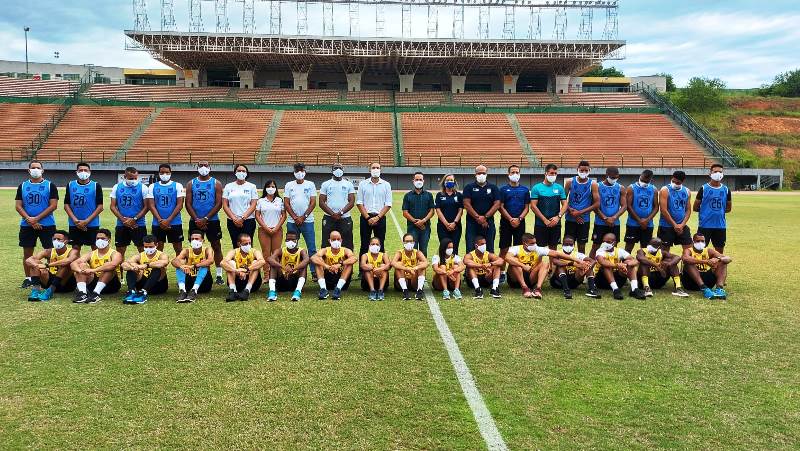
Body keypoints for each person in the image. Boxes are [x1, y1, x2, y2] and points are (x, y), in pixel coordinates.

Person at [506, 233, 589, 300]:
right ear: (525, 243)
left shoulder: (537, 249)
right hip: (515, 279)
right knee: (514, 263)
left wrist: (578, 260)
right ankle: (524, 288)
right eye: (532, 243)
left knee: (545, 264)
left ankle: (538, 288)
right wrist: (523, 266)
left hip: (531, 278)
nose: (535, 245)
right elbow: (507, 258)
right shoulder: (516, 249)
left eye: (535, 243)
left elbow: (557, 254)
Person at [16, 160, 59, 288]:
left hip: (47, 224)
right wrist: (29, 219)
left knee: (50, 252)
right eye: (33, 167)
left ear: (42, 170)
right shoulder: (22, 186)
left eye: (38, 167)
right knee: (27, 252)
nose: (36, 170)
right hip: (27, 224)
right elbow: (18, 206)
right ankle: (28, 278)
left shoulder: (50, 185)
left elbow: (53, 205)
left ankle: (50, 277)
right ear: (29, 170)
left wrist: (36, 219)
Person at [185, 161, 225, 284]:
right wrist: (197, 219)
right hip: (195, 220)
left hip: (212, 220)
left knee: (216, 246)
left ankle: (219, 275)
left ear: (210, 168)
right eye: (201, 165)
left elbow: (219, 203)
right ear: (197, 168)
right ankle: (193, 272)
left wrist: (206, 218)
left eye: (206, 165)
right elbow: (188, 203)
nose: (203, 168)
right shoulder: (191, 183)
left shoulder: (216, 183)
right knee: (195, 246)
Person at [70, 229, 123, 304]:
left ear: (109, 240)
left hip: (111, 284)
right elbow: (73, 263)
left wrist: (93, 270)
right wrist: (80, 271)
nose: (100, 240)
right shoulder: (91, 253)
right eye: (98, 238)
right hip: (94, 282)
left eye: (103, 238)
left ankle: (96, 294)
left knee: (108, 267)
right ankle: (82, 293)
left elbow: (113, 265)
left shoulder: (115, 254)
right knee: (81, 265)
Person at [24, 230, 78, 301]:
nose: (56, 241)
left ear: (66, 241)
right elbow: (28, 260)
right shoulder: (48, 251)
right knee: (34, 262)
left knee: (66, 265)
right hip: (49, 281)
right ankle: (35, 291)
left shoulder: (73, 251)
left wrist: (47, 265)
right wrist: (36, 265)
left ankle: (50, 291)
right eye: (54, 239)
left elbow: (68, 260)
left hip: (65, 283)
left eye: (59, 239)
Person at [498, 164, 531, 283]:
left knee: (518, 249)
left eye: (517, 172)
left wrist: (519, 219)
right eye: (512, 172)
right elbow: (500, 207)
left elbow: (527, 207)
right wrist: (511, 219)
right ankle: (502, 273)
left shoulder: (525, 190)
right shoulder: (503, 189)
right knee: (504, 248)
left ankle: (515, 273)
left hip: (520, 223)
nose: (515, 174)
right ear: (508, 174)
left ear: (520, 174)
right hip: (506, 222)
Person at [284, 163, 318, 275]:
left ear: (305, 171)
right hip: (292, 221)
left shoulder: (310, 184)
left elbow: (313, 202)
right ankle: (293, 270)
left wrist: (304, 217)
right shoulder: (289, 185)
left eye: (302, 170)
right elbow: (286, 203)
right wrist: (295, 217)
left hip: (307, 221)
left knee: (311, 247)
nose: (299, 173)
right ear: (294, 172)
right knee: (291, 246)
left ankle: (314, 271)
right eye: (297, 170)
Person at [109, 166, 149, 258]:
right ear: (124, 176)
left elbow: (147, 207)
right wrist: (124, 220)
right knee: (120, 251)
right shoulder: (117, 187)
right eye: (131, 178)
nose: (133, 180)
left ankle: (143, 267)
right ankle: (120, 268)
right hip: (121, 224)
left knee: (142, 250)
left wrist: (134, 219)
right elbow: (112, 206)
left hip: (138, 224)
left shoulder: (143, 187)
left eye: (135, 178)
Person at [594, 233, 647, 300]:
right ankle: (615, 290)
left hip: (618, 281)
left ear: (614, 243)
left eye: (608, 242)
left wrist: (626, 265)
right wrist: (617, 265)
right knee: (606, 266)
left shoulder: (619, 251)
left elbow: (635, 261)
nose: (605, 243)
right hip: (601, 281)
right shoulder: (600, 251)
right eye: (604, 241)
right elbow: (602, 262)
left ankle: (634, 289)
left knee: (630, 263)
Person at [64, 162, 104, 251]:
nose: (83, 172)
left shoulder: (96, 185)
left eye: (85, 170)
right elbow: (66, 205)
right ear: (76, 172)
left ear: (90, 172)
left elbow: (100, 207)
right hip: (74, 223)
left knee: (95, 248)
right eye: (80, 170)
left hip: (92, 223)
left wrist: (87, 221)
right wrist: (75, 220)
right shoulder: (70, 185)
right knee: (75, 248)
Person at [146, 164, 185, 255]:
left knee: (178, 249)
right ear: (159, 173)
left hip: (175, 222)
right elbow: (151, 205)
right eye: (162, 172)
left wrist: (168, 220)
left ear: (171, 173)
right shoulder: (152, 186)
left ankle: (179, 265)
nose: (164, 174)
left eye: (167, 172)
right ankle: (160, 265)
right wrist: (160, 220)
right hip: (157, 223)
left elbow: (179, 205)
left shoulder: (177, 185)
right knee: (158, 250)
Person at [693, 163, 732, 254]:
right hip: (705, 225)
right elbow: (695, 207)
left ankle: (717, 263)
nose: (718, 174)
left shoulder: (726, 190)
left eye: (720, 172)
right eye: (715, 171)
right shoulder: (704, 188)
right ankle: (699, 263)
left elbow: (728, 208)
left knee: (719, 251)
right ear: (710, 173)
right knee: (700, 249)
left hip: (720, 225)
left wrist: (718, 212)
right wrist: (706, 212)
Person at [681, 233, 732, 300]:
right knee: (688, 263)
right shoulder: (688, 250)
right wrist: (706, 261)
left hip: (708, 282)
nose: (700, 243)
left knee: (723, 262)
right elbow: (685, 258)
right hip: (691, 282)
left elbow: (728, 258)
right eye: (698, 241)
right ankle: (704, 288)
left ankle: (719, 289)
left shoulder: (708, 251)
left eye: (702, 241)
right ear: (693, 241)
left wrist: (718, 259)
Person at [590, 166, 627, 258]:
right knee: (596, 246)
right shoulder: (597, 186)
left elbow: (624, 206)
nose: (614, 179)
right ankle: (590, 265)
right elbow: (594, 205)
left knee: (613, 246)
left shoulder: (621, 188)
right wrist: (605, 218)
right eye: (612, 177)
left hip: (615, 223)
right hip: (600, 222)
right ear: (606, 175)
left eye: (616, 177)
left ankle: (612, 265)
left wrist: (614, 217)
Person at [121, 235, 170, 304]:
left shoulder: (162, 255)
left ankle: (143, 292)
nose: (148, 249)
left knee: (158, 268)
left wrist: (146, 265)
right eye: (146, 247)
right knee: (131, 268)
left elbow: (164, 262)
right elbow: (124, 264)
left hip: (158, 285)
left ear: (156, 245)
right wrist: (133, 267)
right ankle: (131, 291)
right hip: (142, 284)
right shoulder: (140, 255)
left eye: (151, 247)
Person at [356, 162, 392, 256]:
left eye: (377, 168)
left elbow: (388, 204)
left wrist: (378, 217)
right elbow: (359, 203)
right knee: (364, 245)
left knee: (380, 245)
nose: (375, 169)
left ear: (380, 170)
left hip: (380, 217)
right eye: (373, 167)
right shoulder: (363, 184)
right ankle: (362, 265)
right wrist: (368, 218)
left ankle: (381, 265)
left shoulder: (386, 185)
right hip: (365, 218)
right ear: (369, 169)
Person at [563, 160, 599, 254]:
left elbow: (596, 204)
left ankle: (581, 263)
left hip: (584, 220)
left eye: (586, 171)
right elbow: (563, 199)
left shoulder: (593, 184)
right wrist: (571, 211)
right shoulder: (570, 182)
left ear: (589, 171)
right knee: (567, 245)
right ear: (577, 170)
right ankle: (567, 263)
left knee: (581, 246)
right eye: (581, 170)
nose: (583, 172)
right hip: (570, 218)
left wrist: (579, 213)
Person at [463, 165, 500, 253]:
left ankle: (488, 263)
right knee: (470, 248)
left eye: (483, 173)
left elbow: (497, 204)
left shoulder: (493, 187)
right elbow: (466, 204)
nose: (481, 175)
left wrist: (485, 217)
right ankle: (471, 263)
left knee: (489, 249)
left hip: (488, 223)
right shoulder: (469, 187)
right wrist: (478, 217)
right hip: (472, 223)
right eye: (479, 173)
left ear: (486, 174)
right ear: (475, 174)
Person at [319, 162, 356, 250]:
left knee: (347, 243)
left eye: (340, 168)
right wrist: (332, 214)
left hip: (345, 217)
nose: (338, 170)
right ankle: (326, 259)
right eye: (336, 168)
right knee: (326, 243)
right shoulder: (326, 184)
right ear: (332, 170)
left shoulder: (348, 184)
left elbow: (351, 201)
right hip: (329, 217)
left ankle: (347, 259)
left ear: (343, 170)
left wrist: (341, 213)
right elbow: (321, 202)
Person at [311, 231, 358, 301]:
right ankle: (323, 289)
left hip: (342, 277)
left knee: (349, 263)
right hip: (328, 277)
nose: (336, 241)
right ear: (329, 241)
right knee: (318, 261)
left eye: (338, 239)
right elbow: (313, 258)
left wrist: (340, 264)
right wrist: (327, 266)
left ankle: (338, 288)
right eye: (333, 239)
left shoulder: (345, 250)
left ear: (341, 240)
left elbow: (354, 258)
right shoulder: (325, 250)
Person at [530, 163, 567, 250]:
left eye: (555, 173)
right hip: (540, 224)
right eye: (551, 173)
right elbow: (533, 206)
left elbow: (565, 204)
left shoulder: (559, 188)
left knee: (553, 248)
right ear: (545, 173)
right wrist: (545, 220)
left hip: (556, 223)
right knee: (539, 249)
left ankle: (552, 261)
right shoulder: (536, 188)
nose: (553, 175)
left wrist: (558, 217)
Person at [550, 235, 599, 299]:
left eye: (570, 244)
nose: (568, 246)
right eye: (566, 244)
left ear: (574, 245)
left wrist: (586, 267)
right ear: (562, 244)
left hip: (573, 282)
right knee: (560, 266)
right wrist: (573, 264)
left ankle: (592, 290)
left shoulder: (578, 254)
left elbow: (593, 261)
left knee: (587, 264)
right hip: (558, 282)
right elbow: (555, 261)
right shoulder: (558, 252)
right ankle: (566, 291)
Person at [266, 230, 310, 302]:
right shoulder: (281, 250)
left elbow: (307, 260)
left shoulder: (302, 251)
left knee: (303, 266)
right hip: (282, 281)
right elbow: (269, 259)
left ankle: (298, 291)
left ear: (297, 240)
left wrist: (294, 269)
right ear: (285, 240)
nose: (290, 241)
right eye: (288, 239)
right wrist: (283, 267)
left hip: (295, 281)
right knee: (273, 265)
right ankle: (272, 292)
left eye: (293, 239)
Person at [173, 230, 215, 303]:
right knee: (179, 265)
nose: (194, 241)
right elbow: (174, 261)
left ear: (203, 240)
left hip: (204, 283)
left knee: (204, 265)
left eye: (197, 239)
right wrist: (181, 266)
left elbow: (211, 260)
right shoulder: (186, 251)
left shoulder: (207, 250)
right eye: (192, 239)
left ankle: (194, 290)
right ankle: (182, 291)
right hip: (190, 280)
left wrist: (194, 266)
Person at [222, 164, 258, 248]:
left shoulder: (252, 186)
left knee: (247, 246)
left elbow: (253, 204)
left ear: (246, 173)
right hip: (232, 221)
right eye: (239, 171)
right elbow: (225, 204)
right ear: (235, 173)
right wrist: (234, 219)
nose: (241, 172)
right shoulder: (228, 186)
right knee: (236, 245)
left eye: (243, 171)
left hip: (248, 221)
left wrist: (242, 218)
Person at [221, 233, 265, 302]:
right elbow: (222, 263)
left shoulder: (254, 251)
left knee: (256, 262)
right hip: (237, 280)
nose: (248, 245)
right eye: (245, 244)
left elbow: (262, 261)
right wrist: (236, 271)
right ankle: (233, 291)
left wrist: (246, 269)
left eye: (249, 243)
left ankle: (247, 291)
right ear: (239, 244)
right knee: (230, 263)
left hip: (253, 284)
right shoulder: (234, 252)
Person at [624, 169, 659, 253]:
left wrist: (647, 220)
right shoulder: (631, 188)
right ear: (640, 176)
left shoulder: (654, 189)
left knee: (645, 248)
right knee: (629, 247)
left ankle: (642, 262)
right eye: (642, 180)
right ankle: (626, 262)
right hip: (633, 223)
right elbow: (628, 206)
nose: (643, 182)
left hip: (648, 224)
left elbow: (656, 207)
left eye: (646, 181)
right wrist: (639, 221)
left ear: (650, 180)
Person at [402, 172, 436, 257]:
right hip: (412, 228)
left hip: (425, 227)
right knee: (412, 249)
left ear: (423, 181)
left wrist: (423, 221)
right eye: (416, 179)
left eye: (420, 179)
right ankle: (413, 265)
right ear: (413, 181)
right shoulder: (408, 195)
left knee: (423, 250)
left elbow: (432, 211)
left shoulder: (429, 195)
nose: (418, 181)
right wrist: (415, 222)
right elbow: (405, 212)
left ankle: (422, 265)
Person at [658, 170, 693, 251]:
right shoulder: (665, 190)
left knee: (689, 250)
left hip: (682, 226)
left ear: (682, 181)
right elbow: (663, 210)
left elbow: (688, 210)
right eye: (673, 181)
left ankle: (686, 260)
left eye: (677, 182)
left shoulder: (687, 191)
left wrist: (682, 225)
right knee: (664, 252)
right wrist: (675, 225)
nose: (674, 183)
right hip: (666, 226)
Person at [256, 180, 286, 266]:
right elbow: (257, 215)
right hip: (263, 230)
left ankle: (276, 272)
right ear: (265, 188)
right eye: (268, 186)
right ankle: (266, 272)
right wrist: (266, 228)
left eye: (273, 187)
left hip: (277, 230)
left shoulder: (279, 200)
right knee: (266, 252)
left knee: (276, 252)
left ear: (276, 188)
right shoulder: (261, 200)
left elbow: (284, 215)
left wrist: (276, 228)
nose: (270, 188)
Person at [391, 233, 430, 301]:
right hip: (402, 280)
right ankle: (405, 291)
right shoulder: (400, 252)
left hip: (414, 280)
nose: (409, 243)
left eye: (411, 241)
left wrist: (415, 268)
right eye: (407, 241)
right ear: (403, 242)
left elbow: (426, 263)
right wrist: (406, 269)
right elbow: (393, 263)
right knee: (399, 264)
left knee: (421, 264)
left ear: (414, 242)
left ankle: (419, 290)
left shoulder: (417, 252)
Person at [434, 174, 463, 254]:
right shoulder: (439, 195)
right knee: (444, 248)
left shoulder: (459, 195)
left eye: (451, 180)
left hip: (456, 227)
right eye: (447, 180)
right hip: (442, 227)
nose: (449, 182)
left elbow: (460, 210)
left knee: (454, 248)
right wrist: (446, 224)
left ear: (454, 182)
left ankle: (454, 262)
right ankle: (443, 262)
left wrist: (454, 223)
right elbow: (438, 210)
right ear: (444, 182)